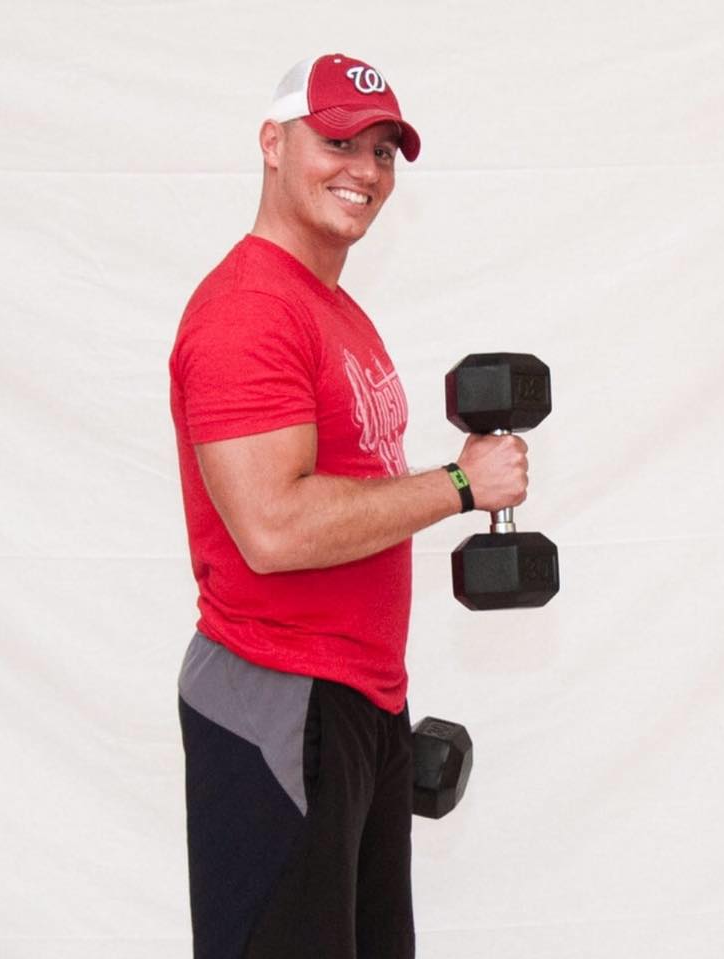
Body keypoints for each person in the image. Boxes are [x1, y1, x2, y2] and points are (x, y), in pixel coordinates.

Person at [168, 52, 528, 959]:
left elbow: (354, 502)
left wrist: (378, 715)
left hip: (356, 700)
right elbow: (273, 527)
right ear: (272, 143)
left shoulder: (336, 312)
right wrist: (458, 485)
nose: (364, 170)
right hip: (278, 696)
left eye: (382, 151)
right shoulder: (248, 311)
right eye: (337, 142)